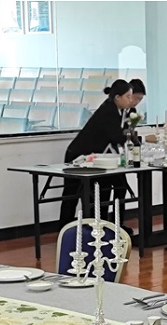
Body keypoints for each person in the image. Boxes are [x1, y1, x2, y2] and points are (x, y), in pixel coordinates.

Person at [60, 79, 134, 224]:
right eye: (128, 97)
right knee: (71, 196)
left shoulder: (115, 110)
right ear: (117, 97)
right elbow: (117, 138)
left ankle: (100, 226)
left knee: (105, 188)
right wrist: (130, 133)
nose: (130, 100)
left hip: (93, 158)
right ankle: (65, 228)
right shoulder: (109, 111)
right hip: (78, 156)